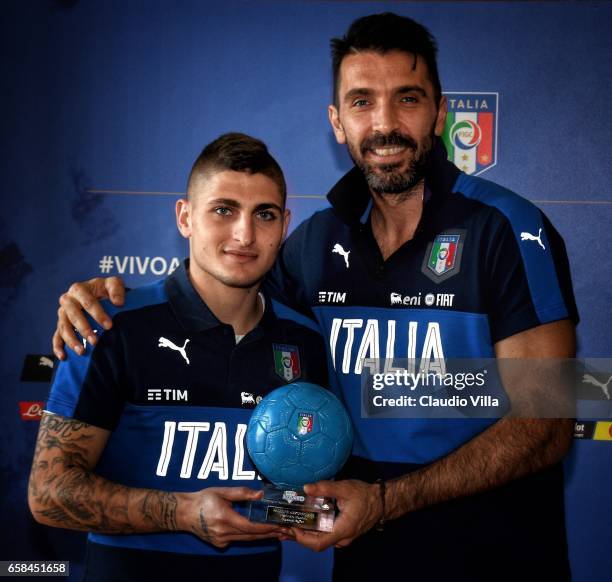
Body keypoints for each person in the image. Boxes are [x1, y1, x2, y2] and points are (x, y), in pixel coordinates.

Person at [51, 13, 578, 581]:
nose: (384, 124)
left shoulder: (510, 226)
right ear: (336, 121)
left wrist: (384, 501)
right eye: (361, 102)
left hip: (499, 555)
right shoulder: (313, 242)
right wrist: (108, 294)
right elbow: (221, 303)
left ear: (441, 113)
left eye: (407, 99)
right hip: (364, 558)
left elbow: (547, 420)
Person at [29, 133, 328, 582]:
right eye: (223, 210)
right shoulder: (110, 325)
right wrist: (183, 512)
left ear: (284, 225)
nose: (244, 234)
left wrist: (315, 515)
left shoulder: (304, 340)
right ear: (185, 217)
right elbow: (48, 494)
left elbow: (303, 501)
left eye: (263, 214)